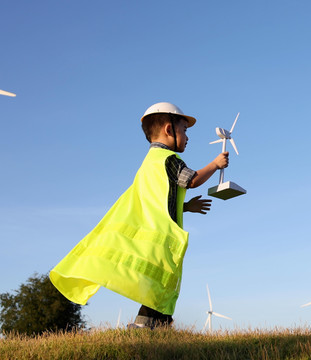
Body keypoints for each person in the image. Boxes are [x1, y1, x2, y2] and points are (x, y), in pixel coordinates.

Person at [50, 102, 229, 329]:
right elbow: (191, 180)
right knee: (160, 285)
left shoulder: (149, 163)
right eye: (184, 130)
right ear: (168, 130)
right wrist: (215, 164)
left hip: (152, 236)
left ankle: (160, 325)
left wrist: (185, 207)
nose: (187, 137)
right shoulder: (169, 159)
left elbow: (155, 200)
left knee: (158, 286)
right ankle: (144, 326)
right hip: (162, 238)